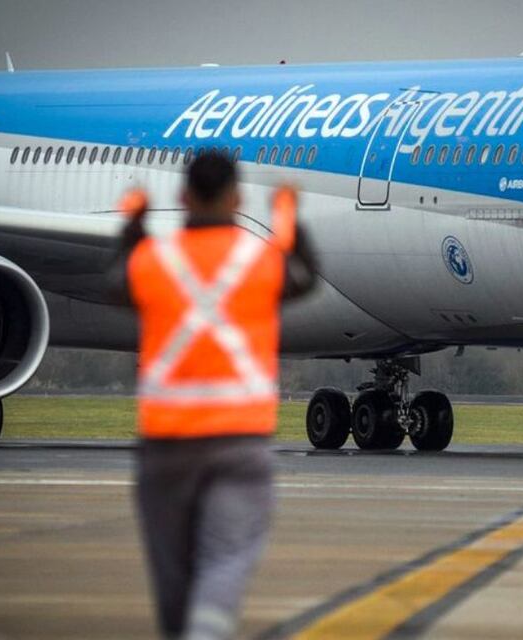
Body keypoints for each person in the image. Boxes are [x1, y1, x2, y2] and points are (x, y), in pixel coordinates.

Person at [116, 151, 317, 640]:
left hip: (165, 450)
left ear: (183, 196)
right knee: (223, 564)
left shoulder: (154, 260)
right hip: (239, 445)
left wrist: (134, 219)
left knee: (173, 582)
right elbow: (303, 272)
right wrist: (287, 212)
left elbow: (116, 278)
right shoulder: (259, 261)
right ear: (237, 197)